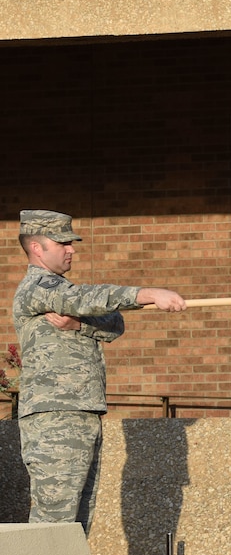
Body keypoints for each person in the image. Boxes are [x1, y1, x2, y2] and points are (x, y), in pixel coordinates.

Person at [13, 209, 187, 534]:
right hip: (55, 417)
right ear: (37, 247)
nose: (71, 249)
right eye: (62, 242)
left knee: (78, 523)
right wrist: (146, 294)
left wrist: (79, 324)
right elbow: (86, 298)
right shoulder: (38, 287)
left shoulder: (65, 293)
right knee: (53, 524)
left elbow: (113, 323)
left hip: (82, 415)